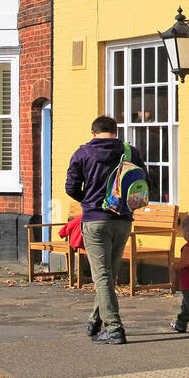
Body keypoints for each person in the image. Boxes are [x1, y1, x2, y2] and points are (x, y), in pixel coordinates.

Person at [65, 115, 145, 345]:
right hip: (123, 219)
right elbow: (147, 181)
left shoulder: (83, 153)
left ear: (93, 133)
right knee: (108, 273)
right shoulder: (131, 152)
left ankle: (114, 327)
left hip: (95, 221)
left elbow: (71, 186)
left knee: (101, 275)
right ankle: (95, 320)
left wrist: (89, 203)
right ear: (115, 131)